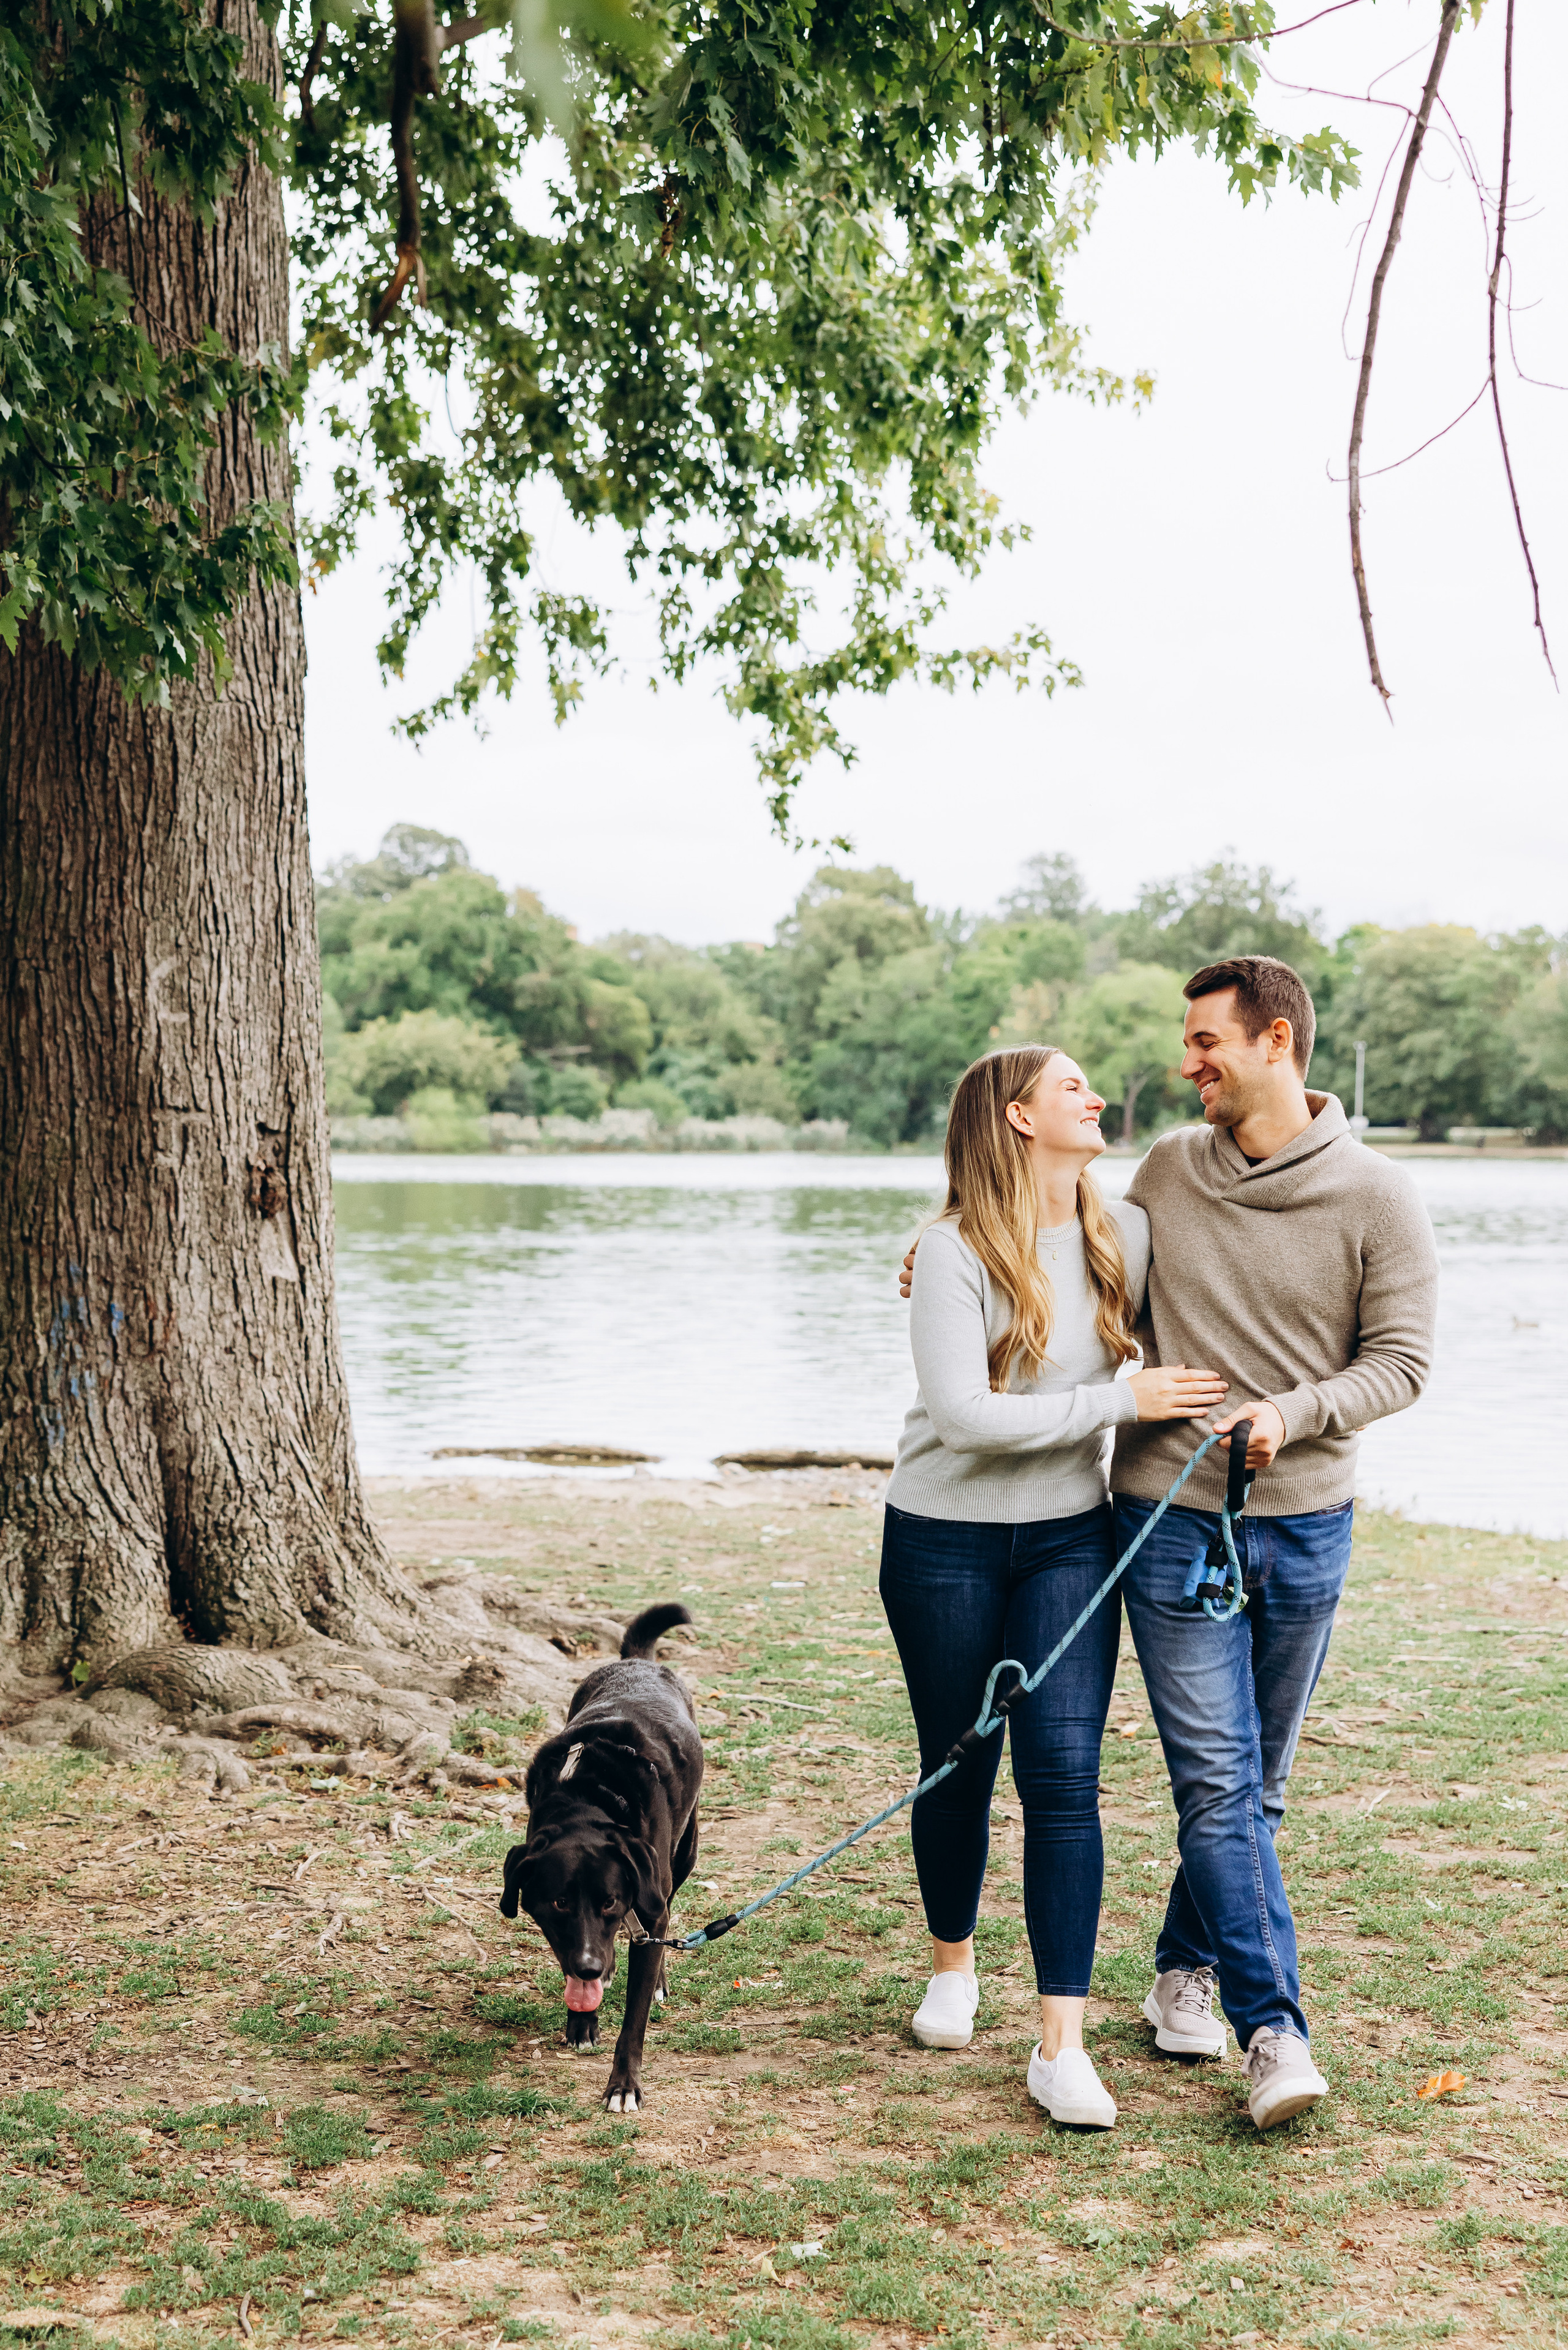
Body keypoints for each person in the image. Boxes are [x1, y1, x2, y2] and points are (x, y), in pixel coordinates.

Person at [905, 957, 1439, 2132]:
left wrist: (1288, 1413)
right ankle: (1273, 2029)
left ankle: (1180, 1970)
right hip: (1161, 1517)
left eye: (1206, 1043)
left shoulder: (1380, 1196)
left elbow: (1401, 1361)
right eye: (1185, 1042)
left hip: (1306, 1519)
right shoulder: (1166, 1175)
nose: (1183, 1063)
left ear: (1278, 1041)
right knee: (1212, 1776)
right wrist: (946, 1253)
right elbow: (1057, 1260)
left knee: (1260, 1785)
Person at [882, 1043, 1228, 2130]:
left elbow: (1248, 1225)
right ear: (1020, 1118)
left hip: (1071, 1538)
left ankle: (1060, 2046)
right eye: (1071, 1085)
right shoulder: (949, 1250)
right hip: (941, 1534)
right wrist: (1118, 1404)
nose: (1094, 1097)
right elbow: (962, 1418)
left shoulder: (1123, 1229)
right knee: (956, 1759)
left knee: (1065, 1779)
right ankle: (952, 1969)